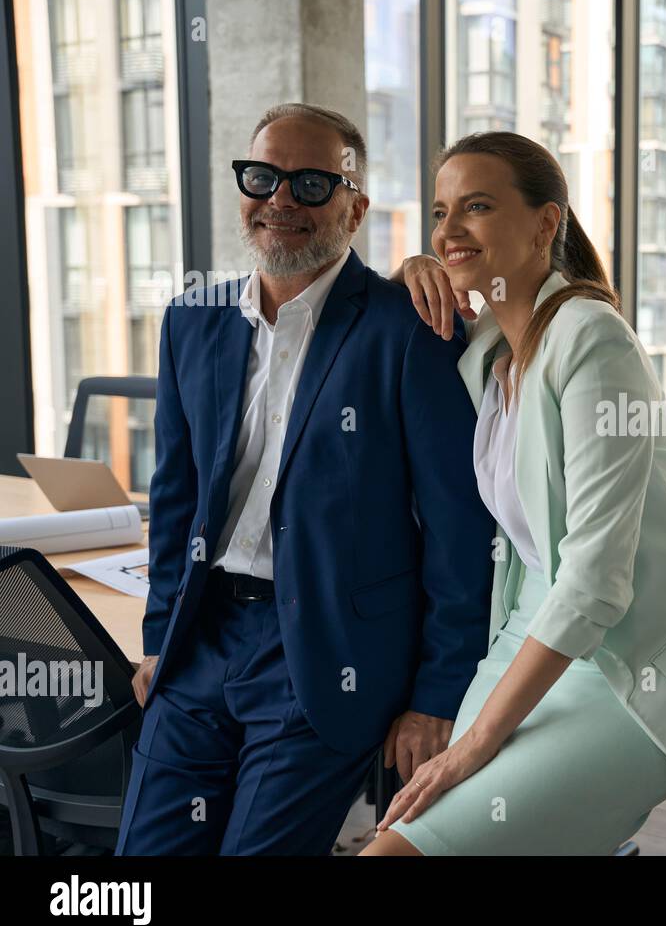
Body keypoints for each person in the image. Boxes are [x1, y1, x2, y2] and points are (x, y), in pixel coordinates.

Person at [360, 131, 666, 856]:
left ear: (545, 224)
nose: (450, 230)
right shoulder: (491, 347)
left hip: (631, 669)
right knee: (420, 825)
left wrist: (471, 747)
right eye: (440, 211)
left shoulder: (591, 338)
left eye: (479, 206)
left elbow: (594, 581)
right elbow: (416, 299)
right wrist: (411, 272)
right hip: (527, 639)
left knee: (404, 848)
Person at [116, 103, 495, 855]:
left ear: (354, 209)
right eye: (264, 177)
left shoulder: (410, 328)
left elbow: (461, 533)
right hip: (199, 646)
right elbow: (177, 496)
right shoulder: (191, 320)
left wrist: (436, 697)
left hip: (323, 659)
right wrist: (161, 637)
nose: (281, 200)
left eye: (313, 183)